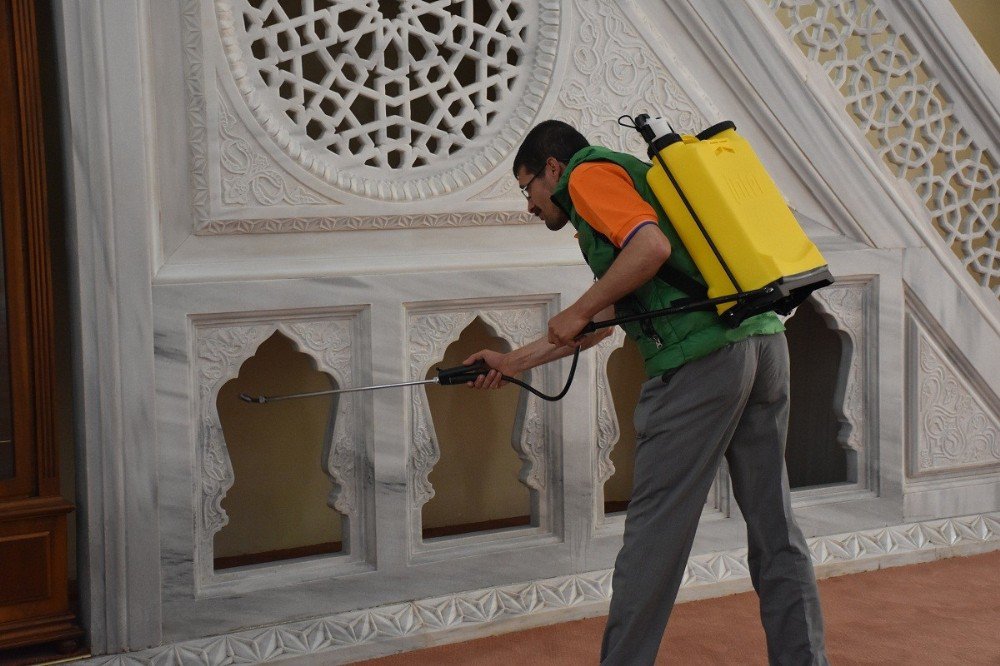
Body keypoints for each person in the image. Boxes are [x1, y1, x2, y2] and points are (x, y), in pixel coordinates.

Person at [464, 119, 828, 665]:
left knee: (652, 544)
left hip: (701, 367)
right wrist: (512, 362)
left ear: (553, 169)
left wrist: (581, 306)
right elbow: (606, 319)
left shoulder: (587, 177)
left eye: (528, 189)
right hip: (761, 344)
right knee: (775, 527)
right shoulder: (633, 178)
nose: (530, 205)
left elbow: (649, 249)